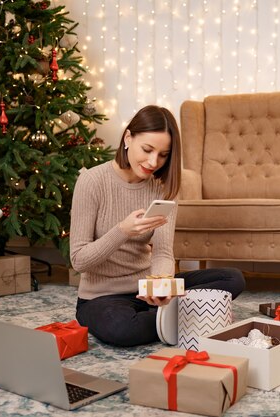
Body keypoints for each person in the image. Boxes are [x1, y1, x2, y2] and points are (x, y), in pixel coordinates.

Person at [69, 105, 245, 347]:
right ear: (128, 137)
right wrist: (123, 231)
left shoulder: (162, 187)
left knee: (231, 278)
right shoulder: (92, 181)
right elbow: (79, 260)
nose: (154, 162)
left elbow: (162, 252)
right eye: (148, 150)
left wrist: (161, 285)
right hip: (102, 297)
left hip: (148, 291)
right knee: (122, 329)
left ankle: (165, 315)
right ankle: (184, 318)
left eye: (163, 155)